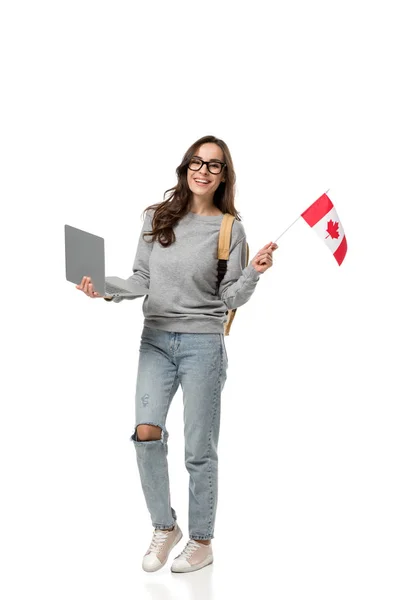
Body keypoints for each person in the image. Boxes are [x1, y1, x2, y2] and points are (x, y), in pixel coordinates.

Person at [76, 135, 278, 573]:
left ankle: (202, 541)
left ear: (225, 175)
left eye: (214, 165)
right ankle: (165, 526)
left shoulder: (230, 228)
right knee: (145, 432)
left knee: (198, 449)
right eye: (196, 162)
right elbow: (140, 278)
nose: (203, 170)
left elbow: (231, 296)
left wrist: (254, 273)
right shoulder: (156, 217)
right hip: (155, 340)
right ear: (185, 167)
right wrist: (103, 289)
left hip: (203, 344)